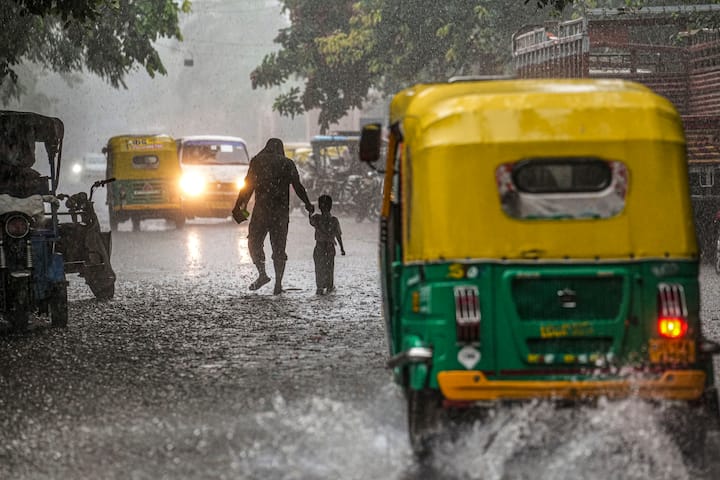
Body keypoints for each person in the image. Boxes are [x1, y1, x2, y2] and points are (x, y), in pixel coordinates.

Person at [234, 138, 314, 294]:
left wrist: (239, 205)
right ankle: (278, 284)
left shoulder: (257, 161)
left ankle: (262, 274)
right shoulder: (287, 163)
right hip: (280, 213)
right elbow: (298, 187)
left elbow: (247, 186)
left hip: (261, 212)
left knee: (254, 242)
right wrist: (307, 203)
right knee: (279, 249)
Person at [309, 194, 345, 295]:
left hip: (319, 246)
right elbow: (338, 235)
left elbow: (310, 221)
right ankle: (329, 285)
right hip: (330, 247)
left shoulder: (316, 218)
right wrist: (342, 248)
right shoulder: (334, 220)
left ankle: (320, 286)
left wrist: (310, 212)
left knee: (319, 267)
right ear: (331, 206)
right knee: (330, 267)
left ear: (319, 206)